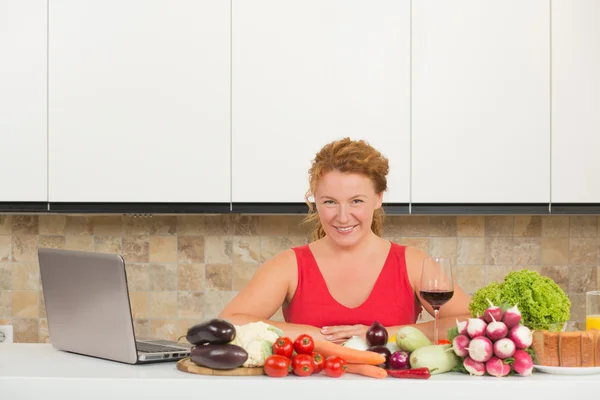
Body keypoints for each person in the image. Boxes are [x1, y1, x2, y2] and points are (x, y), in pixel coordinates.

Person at [219, 137, 471, 343]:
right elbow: (230, 321)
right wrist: (317, 336)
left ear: (379, 198)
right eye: (329, 202)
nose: (342, 217)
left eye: (356, 201)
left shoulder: (413, 263)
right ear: (315, 200)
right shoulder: (290, 265)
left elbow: (471, 321)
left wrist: (379, 336)